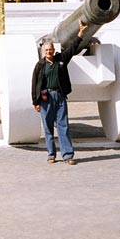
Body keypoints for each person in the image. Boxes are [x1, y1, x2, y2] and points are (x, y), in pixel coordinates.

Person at [31, 19, 87, 165]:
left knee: (63, 126)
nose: (49, 52)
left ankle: (68, 155)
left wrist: (80, 33)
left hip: (60, 96)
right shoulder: (40, 65)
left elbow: (73, 48)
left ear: (54, 51)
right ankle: (51, 154)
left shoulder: (60, 60)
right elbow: (34, 84)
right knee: (48, 127)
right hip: (45, 98)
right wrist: (35, 102)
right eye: (47, 50)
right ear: (44, 52)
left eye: (51, 50)